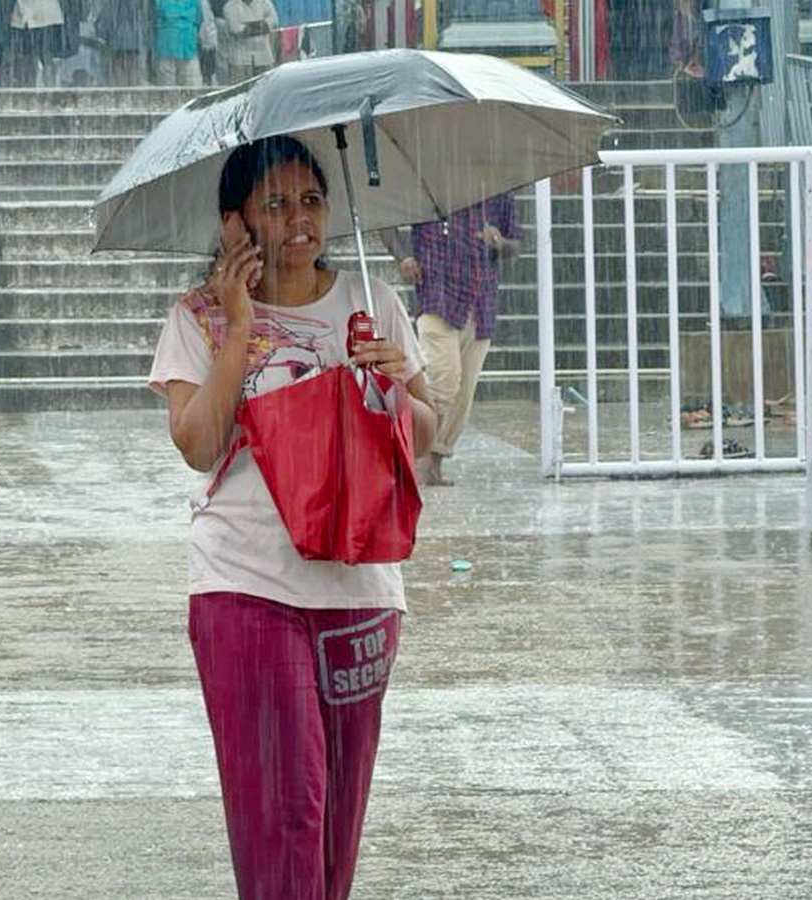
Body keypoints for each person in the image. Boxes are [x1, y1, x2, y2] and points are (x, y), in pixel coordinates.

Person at [148, 136, 435, 900]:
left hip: (362, 592)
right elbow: (198, 445)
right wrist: (240, 328)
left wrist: (401, 383)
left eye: (310, 200)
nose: (299, 220)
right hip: (246, 586)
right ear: (235, 223)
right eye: (275, 205)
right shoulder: (199, 319)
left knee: (336, 828)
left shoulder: (373, 307)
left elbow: (428, 440)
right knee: (284, 817)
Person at [382, 193, 520, 486]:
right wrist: (403, 256)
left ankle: (434, 459)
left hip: (481, 303)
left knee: (463, 394)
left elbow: (515, 244)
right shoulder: (428, 182)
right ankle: (410, 452)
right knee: (443, 381)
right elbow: (384, 221)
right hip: (438, 294)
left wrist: (500, 242)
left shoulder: (499, 190)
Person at [0, 0, 80, 87]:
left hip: (46, 17)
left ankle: (51, 95)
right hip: (21, 19)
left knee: (48, 62)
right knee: (26, 64)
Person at [94, 0, 149, 85]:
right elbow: (143, 20)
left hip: (116, 44)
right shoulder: (136, 3)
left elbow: (102, 23)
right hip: (133, 43)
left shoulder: (111, 3)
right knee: (133, 72)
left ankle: (121, 94)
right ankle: (134, 94)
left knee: (118, 74)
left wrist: (104, 37)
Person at [149, 0, 204, 85]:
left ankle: (170, 97)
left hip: (166, 41)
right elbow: (199, 19)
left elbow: (153, 18)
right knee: (189, 78)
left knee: (167, 79)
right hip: (187, 40)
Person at [220, 0, 276, 82]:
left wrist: (248, 27)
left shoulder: (265, 3)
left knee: (265, 91)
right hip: (240, 60)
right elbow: (235, 28)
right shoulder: (230, 6)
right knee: (240, 92)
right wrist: (261, 26)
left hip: (264, 57)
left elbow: (274, 22)